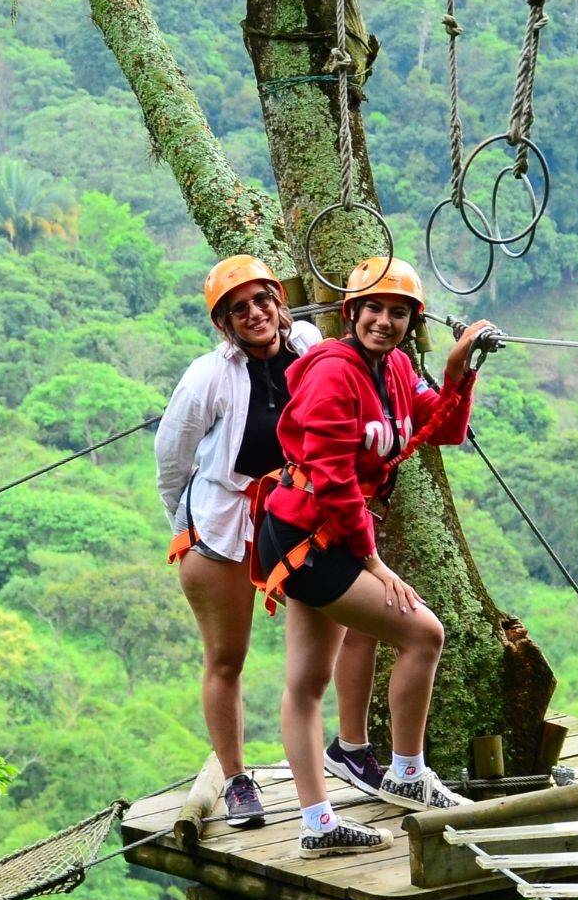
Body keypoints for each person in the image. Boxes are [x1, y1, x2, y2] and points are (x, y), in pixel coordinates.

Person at [254, 256, 491, 858]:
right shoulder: (334, 374)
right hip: (310, 534)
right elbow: (333, 477)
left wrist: (458, 371)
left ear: (411, 322)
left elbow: (444, 429)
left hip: (317, 533)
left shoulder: (397, 369)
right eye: (374, 310)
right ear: (351, 313)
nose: (384, 321)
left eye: (398, 313)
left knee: (307, 681)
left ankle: (318, 822)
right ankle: (407, 772)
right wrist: (374, 563)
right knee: (423, 634)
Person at [156, 255, 379, 829]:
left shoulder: (309, 346)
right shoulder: (206, 377)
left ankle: (351, 748)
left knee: (356, 624)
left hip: (296, 516)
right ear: (223, 323)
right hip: (224, 525)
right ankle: (236, 781)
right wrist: (185, 524)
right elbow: (171, 459)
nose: (255, 314)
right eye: (239, 309)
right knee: (227, 658)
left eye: (262, 300)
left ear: (280, 302)